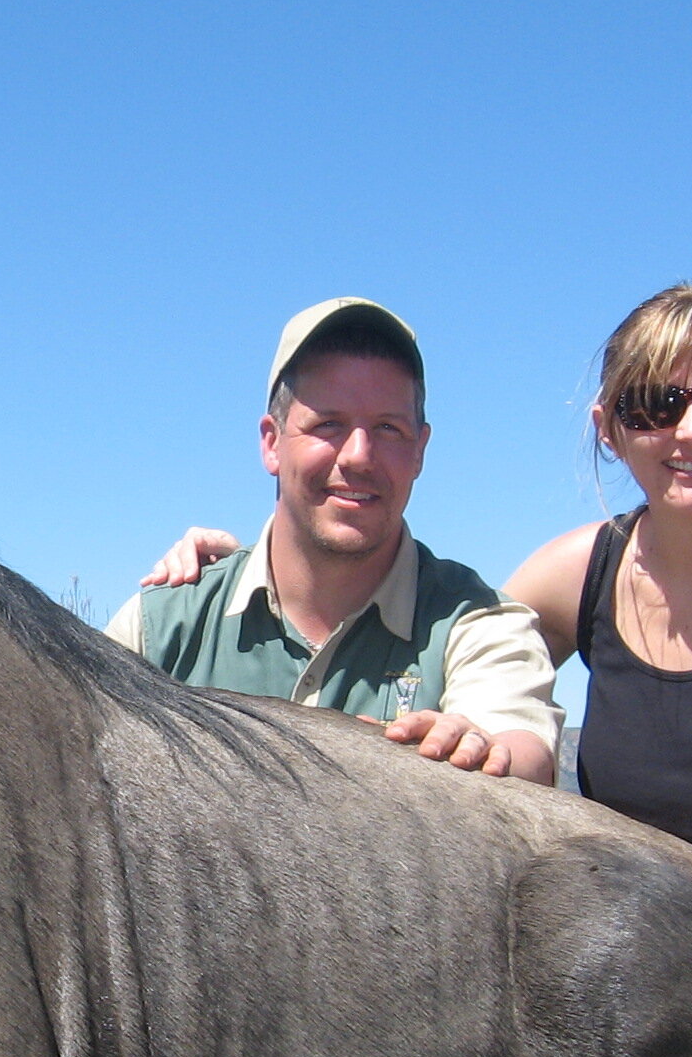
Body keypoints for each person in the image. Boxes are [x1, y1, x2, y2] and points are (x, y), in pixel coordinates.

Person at [138, 283, 692, 1057]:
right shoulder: (576, 574)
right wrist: (221, 581)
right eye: (654, 403)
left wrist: (668, 889)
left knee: (674, 1050)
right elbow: (454, 651)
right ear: (610, 428)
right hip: (665, 950)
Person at [104, 298, 562, 780]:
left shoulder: (479, 623)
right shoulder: (161, 629)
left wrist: (478, 753)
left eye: (388, 428)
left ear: (420, 451)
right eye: (329, 424)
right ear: (271, 442)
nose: (359, 456)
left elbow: (522, 754)